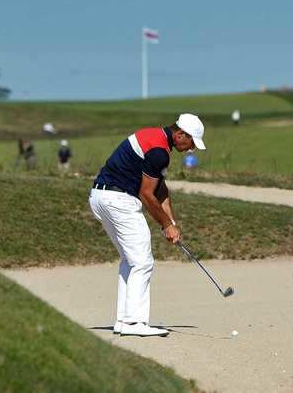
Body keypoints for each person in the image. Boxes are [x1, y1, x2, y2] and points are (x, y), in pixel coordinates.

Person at [88, 113, 206, 337]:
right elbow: (146, 194)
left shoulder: (155, 138)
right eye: (191, 143)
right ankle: (134, 323)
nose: (190, 149)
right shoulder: (159, 151)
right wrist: (165, 226)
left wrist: (171, 223)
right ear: (180, 134)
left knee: (130, 261)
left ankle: (124, 320)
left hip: (99, 197)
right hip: (119, 200)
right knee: (143, 261)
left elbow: (160, 189)